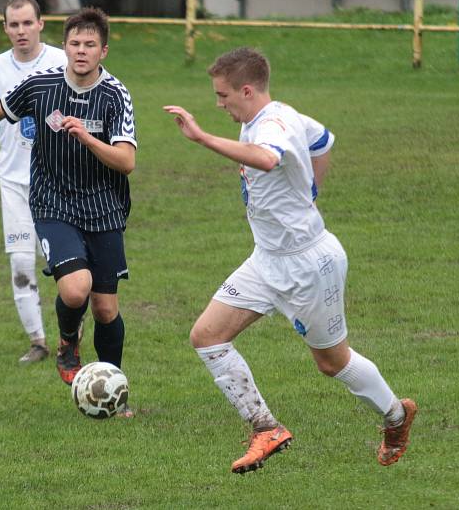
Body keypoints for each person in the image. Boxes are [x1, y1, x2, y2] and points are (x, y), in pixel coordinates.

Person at [163, 47, 416, 474]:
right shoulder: (278, 115)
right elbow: (323, 140)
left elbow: (268, 158)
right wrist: (312, 189)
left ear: (247, 90)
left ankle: (396, 415)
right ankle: (265, 427)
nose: (218, 103)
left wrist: (203, 138)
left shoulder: (274, 125)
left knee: (332, 362)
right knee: (207, 336)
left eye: (223, 96)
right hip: (267, 260)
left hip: (307, 264)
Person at [0, 8, 137, 405]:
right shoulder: (41, 86)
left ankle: (116, 393)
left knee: (106, 309)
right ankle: (66, 342)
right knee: (76, 289)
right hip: (52, 202)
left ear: (103, 51)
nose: (81, 51)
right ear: (65, 47)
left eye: (89, 45)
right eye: (75, 44)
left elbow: (127, 162)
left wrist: (88, 138)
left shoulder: (116, 95)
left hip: (103, 207)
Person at [0, 0, 67, 364]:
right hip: (12, 181)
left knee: (64, 265)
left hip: (56, 180)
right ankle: (38, 342)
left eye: (28, 23)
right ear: (5, 29)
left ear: (41, 24)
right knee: (20, 263)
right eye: (14, 25)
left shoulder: (61, 61)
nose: (21, 31)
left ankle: (68, 336)